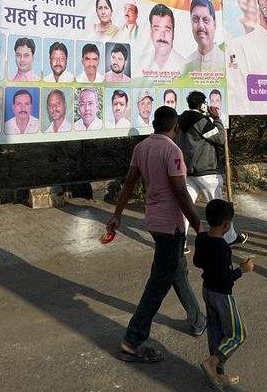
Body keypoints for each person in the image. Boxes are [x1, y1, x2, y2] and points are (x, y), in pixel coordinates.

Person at [107, 106, 205, 363]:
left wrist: (117, 214)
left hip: (153, 221)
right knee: (158, 284)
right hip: (170, 225)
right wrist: (199, 227)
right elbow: (181, 194)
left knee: (175, 270)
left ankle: (197, 319)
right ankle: (133, 340)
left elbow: (129, 181)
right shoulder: (172, 151)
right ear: (175, 128)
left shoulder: (142, 147)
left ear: (153, 123)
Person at [176, 90, 246, 246]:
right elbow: (220, 138)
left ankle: (181, 242)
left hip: (188, 171)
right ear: (202, 105)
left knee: (186, 209)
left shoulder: (181, 121)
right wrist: (216, 118)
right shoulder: (200, 120)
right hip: (206, 171)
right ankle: (229, 238)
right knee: (220, 209)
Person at [194, 199, 251, 389]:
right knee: (237, 334)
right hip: (222, 295)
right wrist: (243, 269)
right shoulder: (223, 248)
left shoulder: (201, 238)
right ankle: (211, 363)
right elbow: (226, 279)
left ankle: (217, 375)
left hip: (207, 290)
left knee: (216, 332)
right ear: (226, 225)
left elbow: (196, 262)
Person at [140, 4, 186, 72]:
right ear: (151, 31)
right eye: (157, 29)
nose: (162, 36)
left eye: (167, 30)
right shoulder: (140, 63)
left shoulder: (185, 67)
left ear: (173, 33)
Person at [187, 0, 225, 71]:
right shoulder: (185, 65)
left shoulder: (226, 62)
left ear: (214, 24)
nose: (201, 26)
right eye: (195, 19)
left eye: (206, 20)